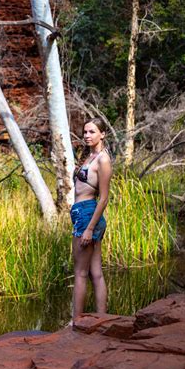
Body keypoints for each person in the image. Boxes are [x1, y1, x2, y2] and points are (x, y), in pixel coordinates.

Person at [70, 118, 113, 324]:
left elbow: (103, 198)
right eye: (85, 132)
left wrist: (89, 228)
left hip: (88, 215)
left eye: (92, 132)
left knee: (80, 272)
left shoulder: (103, 160)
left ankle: (76, 322)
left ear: (102, 134)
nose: (87, 135)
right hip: (82, 213)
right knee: (95, 272)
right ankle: (101, 319)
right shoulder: (89, 156)